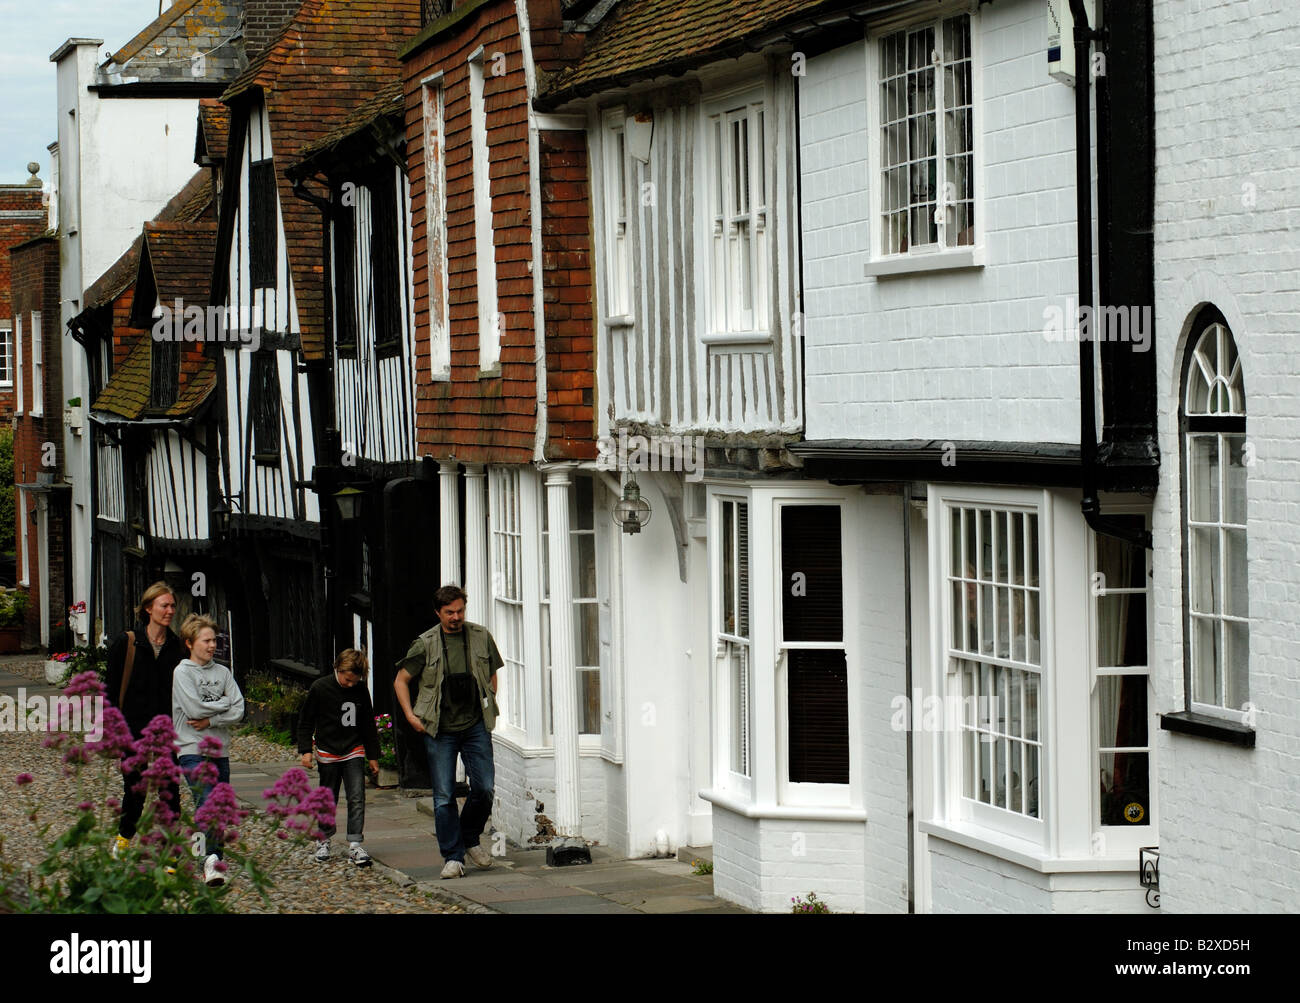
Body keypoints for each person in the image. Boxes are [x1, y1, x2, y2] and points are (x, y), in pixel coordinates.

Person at [394, 584, 503, 879]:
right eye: (449, 612)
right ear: (438, 613)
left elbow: (493, 671)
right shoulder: (425, 643)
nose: (456, 617)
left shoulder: (480, 637)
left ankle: (469, 838)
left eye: (460, 611)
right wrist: (410, 716)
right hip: (439, 728)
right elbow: (401, 680)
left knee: (484, 788)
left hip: (475, 725)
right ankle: (453, 857)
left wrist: (490, 697)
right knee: (443, 796)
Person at [105, 582, 185, 856]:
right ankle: (124, 841)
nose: (170, 610)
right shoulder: (127, 643)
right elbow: (111, 692)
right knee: (134, 789)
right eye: (165, 605)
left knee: (170, 789)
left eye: (173, 605)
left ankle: (171, 847)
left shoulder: (177, 647)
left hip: (167, 730)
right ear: (149, 608)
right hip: (133, 729)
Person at [172, 613, 245, 887]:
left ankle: (202, 852)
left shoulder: (223, 672)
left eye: (214, 640)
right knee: (208, 803)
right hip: (191, 747)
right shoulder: (182, 672)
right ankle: (211, 862)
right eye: (206, 640)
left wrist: (212, 719)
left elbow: (239, 709)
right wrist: (224, 703)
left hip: (220, 749)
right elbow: (193, 709)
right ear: (190, 642)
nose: (212, 645)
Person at [297, 649, 380, 867]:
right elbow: (306, 720)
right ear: (338, 669)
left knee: (356, 796)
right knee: (328, 797)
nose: (351, 684)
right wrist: (306, 750)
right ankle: (323, 839)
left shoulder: (360, 690)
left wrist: (373, 755)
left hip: (353, 749)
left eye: (355, 680)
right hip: (327, 751)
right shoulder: (320, 688)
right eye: (347, 679)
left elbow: (368, 723)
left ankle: (355, 843)